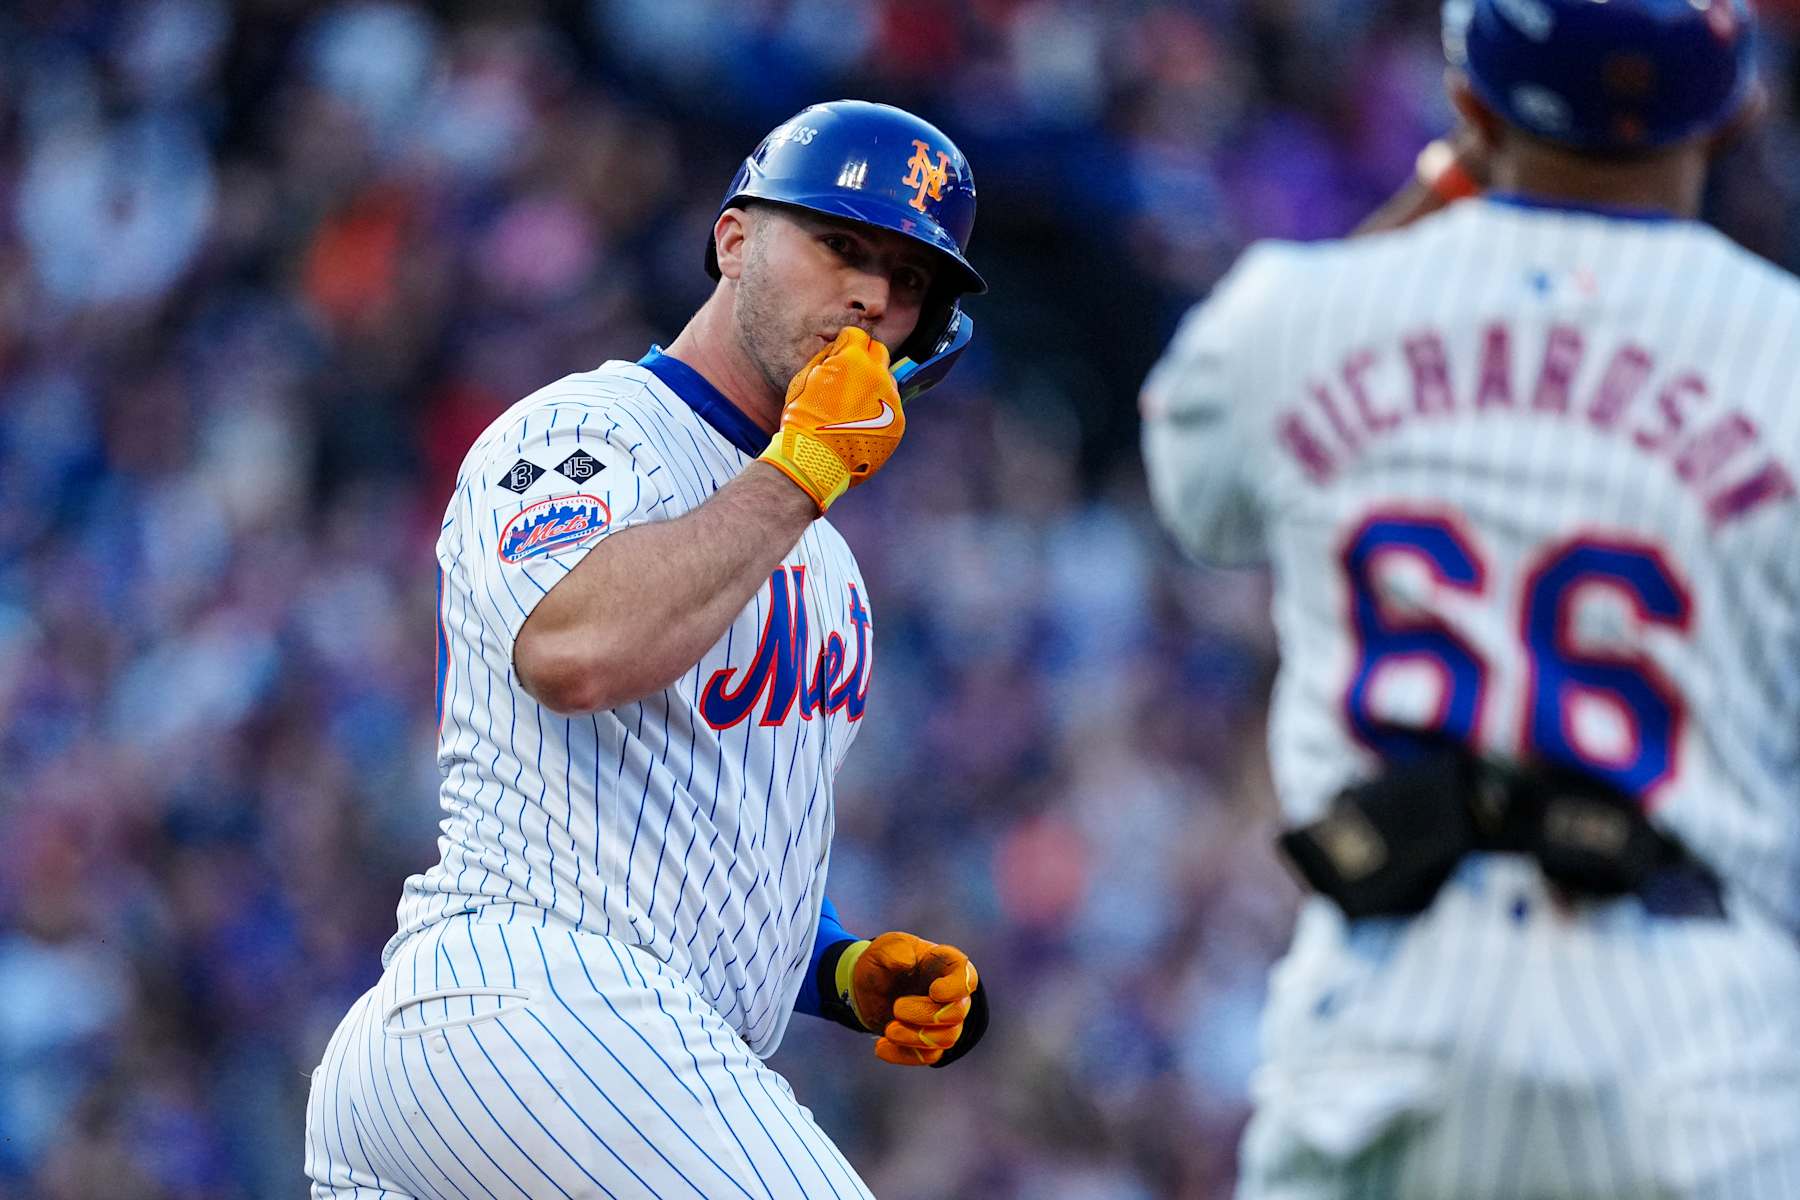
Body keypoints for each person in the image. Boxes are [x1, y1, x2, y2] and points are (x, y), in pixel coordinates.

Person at [1141, 2, 1800, 1196]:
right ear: (1742, 106)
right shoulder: (1785, 355)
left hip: (1389, 1014)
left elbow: (1194, 490)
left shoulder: (1297, 314)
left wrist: (1444, 200)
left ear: (1469, 106)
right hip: (1698, 1040)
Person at [304, 99, 991, 1199]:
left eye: (908, 281)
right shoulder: (584, 431)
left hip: (589, 1062)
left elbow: (707, 839)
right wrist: (804, 469)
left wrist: (843, 971)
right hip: (521, 1002)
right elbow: (575, 651)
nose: (869, 295)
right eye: (840, 245)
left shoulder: (827, 563)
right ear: (734, 238)